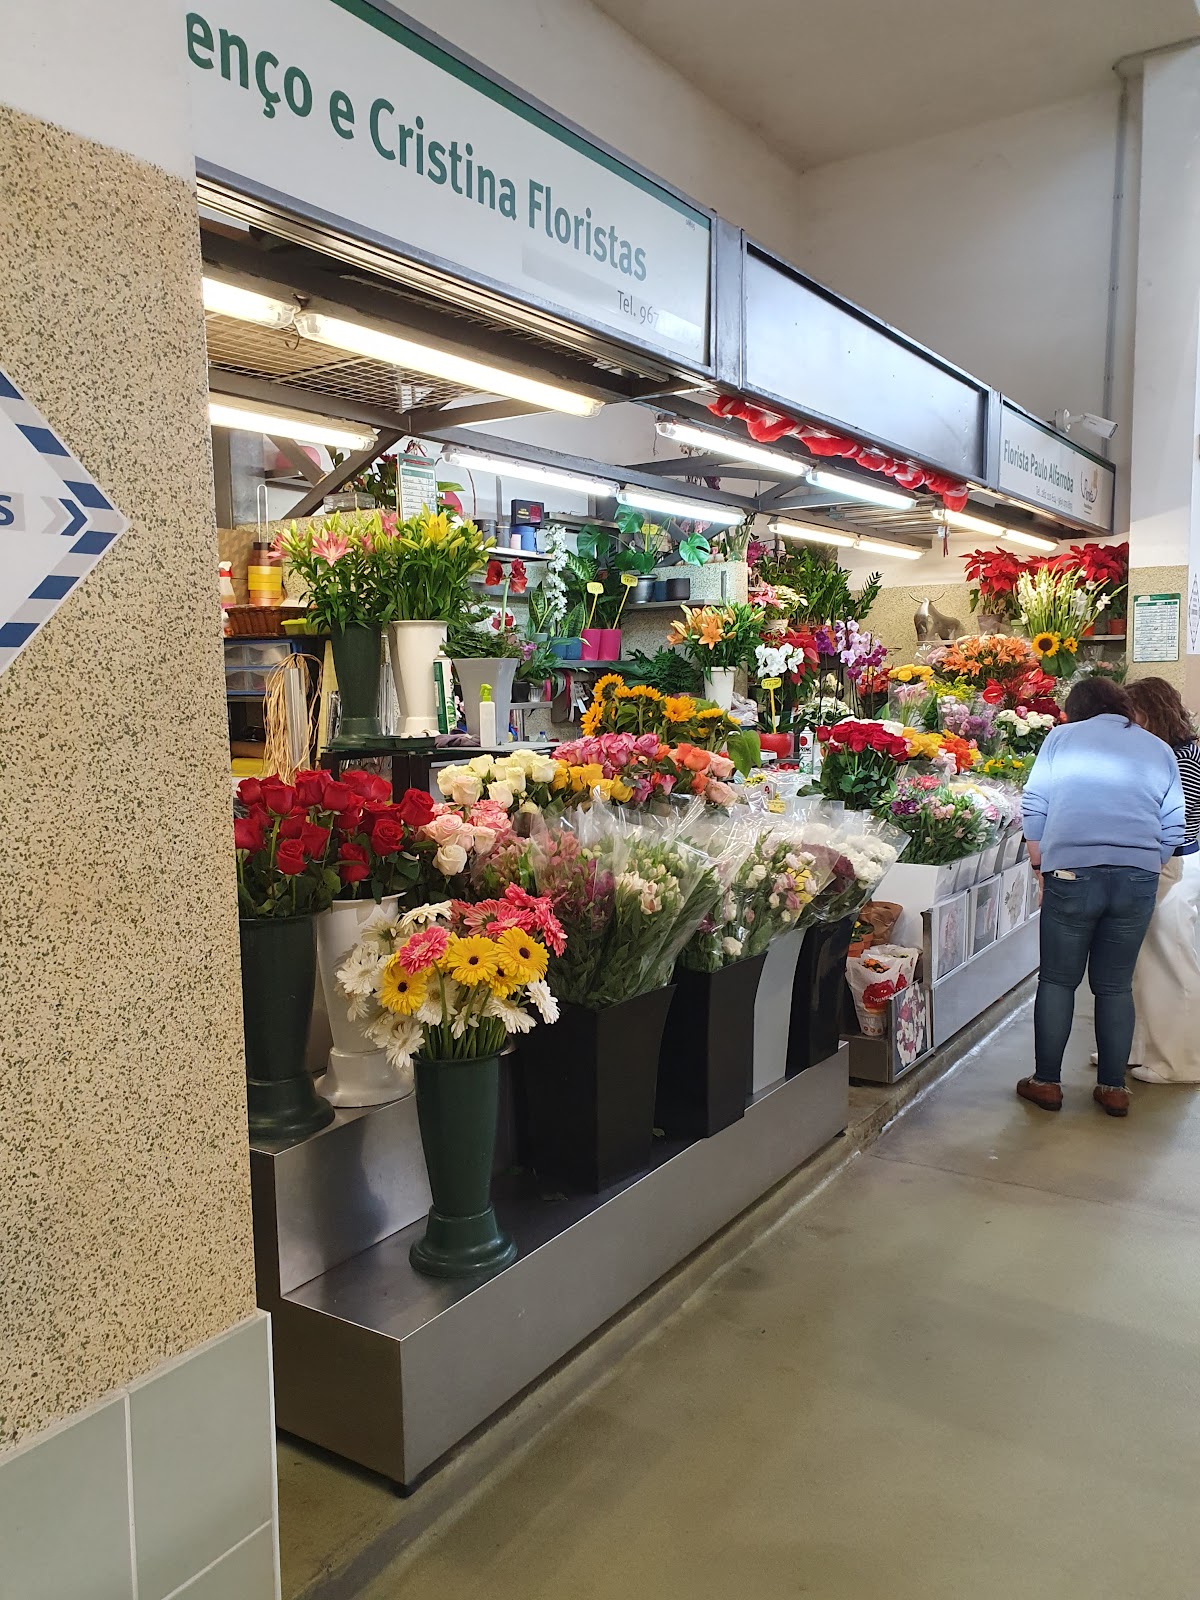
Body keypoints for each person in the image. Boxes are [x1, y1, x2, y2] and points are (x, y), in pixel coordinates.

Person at [1018, 677, 1185, 1117]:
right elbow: (1174, 824)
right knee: (1114, 984)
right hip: (1138, 878)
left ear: (1075, 711)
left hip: (1071, 872)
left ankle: (1047, 1083)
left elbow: (1034, 803)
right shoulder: (1158, 748)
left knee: (1057, 979)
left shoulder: (1060, 738)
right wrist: (1145, 864)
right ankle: (1113, 1088)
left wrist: (1040, 864)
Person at [1122, 678, 1200, 1083]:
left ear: (1150, 712)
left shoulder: (1182, 757)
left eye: (1132, 713)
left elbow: (1178, 823)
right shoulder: (1175, 750)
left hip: (1174, 866)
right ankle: (1138, 1048)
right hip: (1166, 863)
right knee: (1144, 964)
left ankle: (1180, 1062)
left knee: (1171, 961)